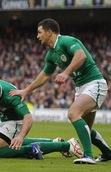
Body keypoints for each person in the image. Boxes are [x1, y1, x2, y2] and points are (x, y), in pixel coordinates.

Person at [9, 18, 111, 164]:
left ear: (49, 32)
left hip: (94, 83)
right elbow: (44, 75)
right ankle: (107, 153)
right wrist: (26, 90)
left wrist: (66, 72)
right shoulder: (51, 54)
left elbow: (80, 55)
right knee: (87, 129)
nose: (37, 36)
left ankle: (88, 156)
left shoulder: (66, 41)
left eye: (39, 32)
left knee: (73, 113)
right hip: (81, 87)